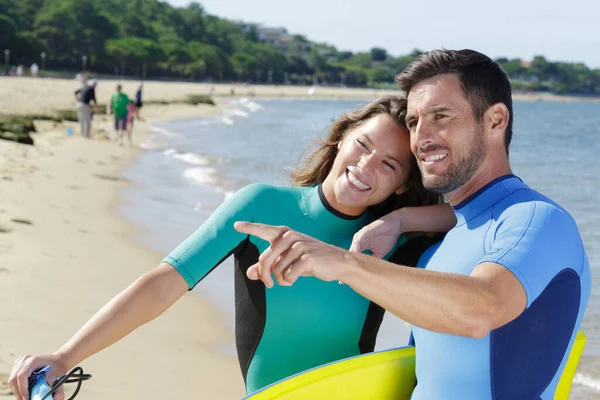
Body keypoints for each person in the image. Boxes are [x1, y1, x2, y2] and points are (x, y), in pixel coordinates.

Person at [8, 96, 457, 399]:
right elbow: (163, 285)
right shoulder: (261, 206)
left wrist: (404, 219)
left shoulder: (387, 240)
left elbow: (485, 214)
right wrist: (65, 357)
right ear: (342, 137)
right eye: (362, 145)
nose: (365, 167)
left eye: (389, 165)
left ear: (403, 185)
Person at [234, 49, 591, 399]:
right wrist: (401, 219)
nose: (421, 137)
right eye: (414, 121)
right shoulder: (449, 235)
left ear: (495, 120)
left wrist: (345, 262)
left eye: (441, 116)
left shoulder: (539, 221)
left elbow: (482, 309)